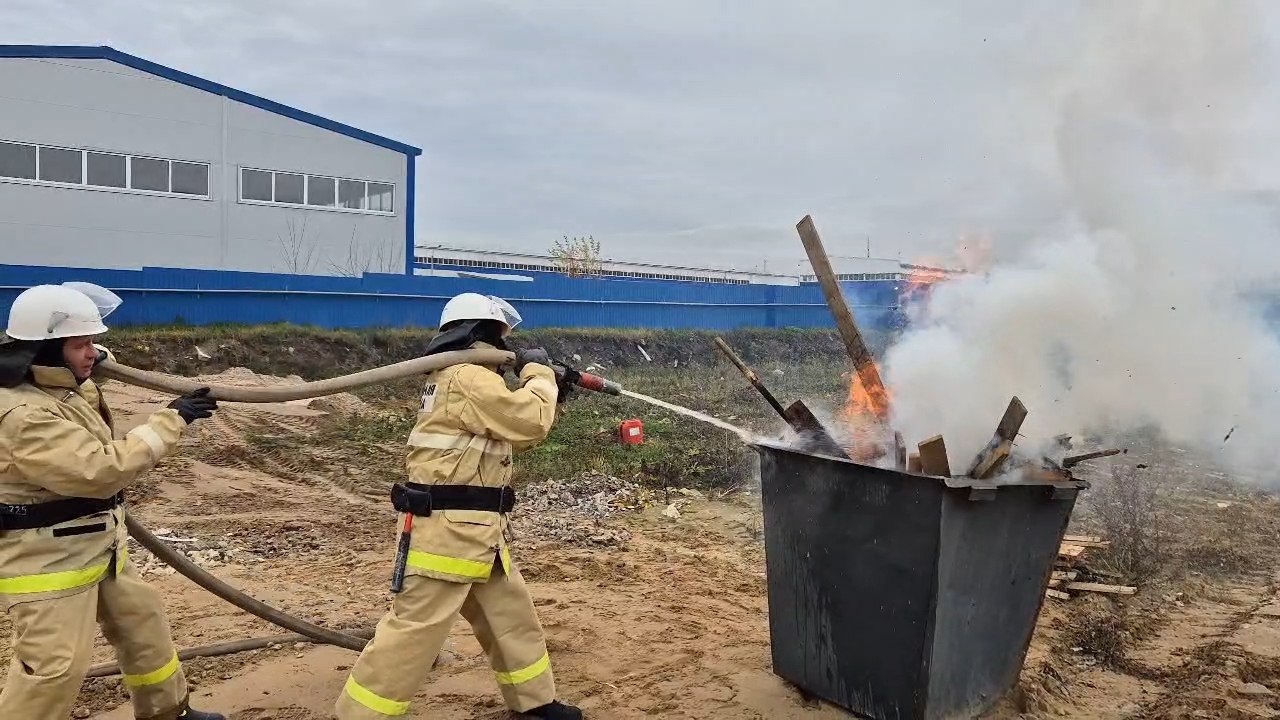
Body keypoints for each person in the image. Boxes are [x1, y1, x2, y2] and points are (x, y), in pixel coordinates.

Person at [335, 292, 582, 720]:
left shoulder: (456, 376)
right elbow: (530, 420)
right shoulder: (466, 376)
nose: (505, 345)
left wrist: (551, 392)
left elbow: (513, 432)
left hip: (476, 529)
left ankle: (534, 704)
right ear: (482, 331)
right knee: (413, 633)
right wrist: (539, 372)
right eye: (501, 335)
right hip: (449, 532)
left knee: (510, 619)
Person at [0, 283, 224, 720]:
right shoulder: (23, 414)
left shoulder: (56, 381)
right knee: (53, 669)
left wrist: (95, 357)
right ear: (45, 349)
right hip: (47, 561)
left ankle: (167, 712)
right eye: (82, 344)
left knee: (144, 628)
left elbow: (85, 379)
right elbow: (102, 471)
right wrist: (172, 420)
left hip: (97, 544)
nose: (92, 353)